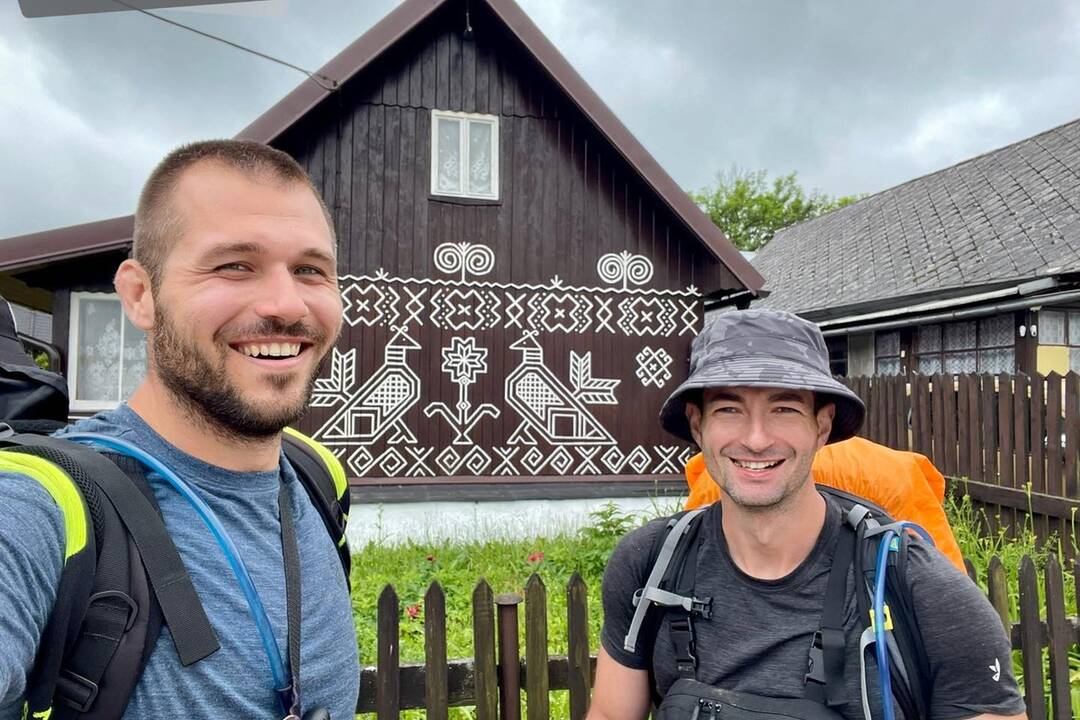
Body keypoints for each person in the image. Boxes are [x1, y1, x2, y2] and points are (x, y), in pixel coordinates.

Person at [0, 140, 359, 719]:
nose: (287, 305)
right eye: (234, 265)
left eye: (310, 270)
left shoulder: (317, 477)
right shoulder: (40, 508)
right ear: (140, 295)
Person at [588, 309, 1026, 720]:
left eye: (784, 409)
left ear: (822, 425)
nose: (756, 439)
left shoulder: (924, 592)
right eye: (728, 409)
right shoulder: (652, 567)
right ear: (697, 424)